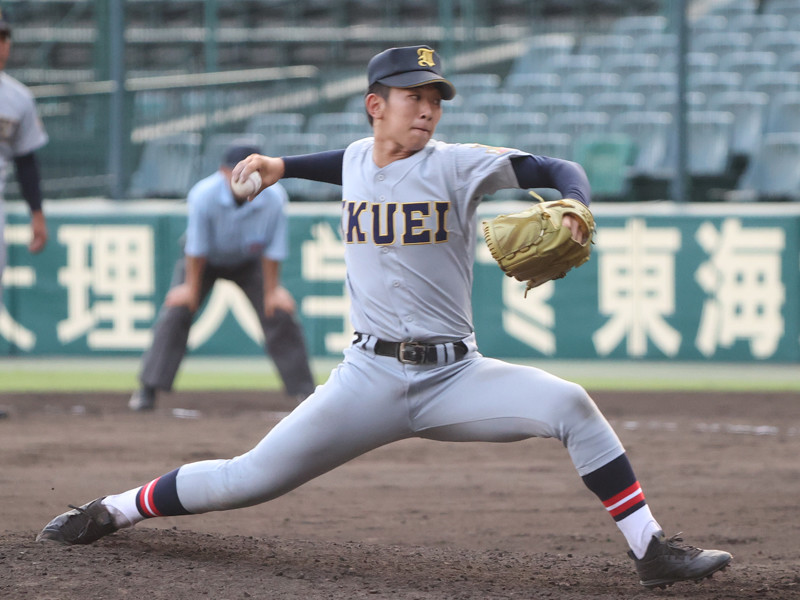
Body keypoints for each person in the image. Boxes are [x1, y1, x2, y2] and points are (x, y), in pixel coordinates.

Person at [37, 45, 731, 590]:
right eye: (412, 97)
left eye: (435, 99)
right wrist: (280, 165)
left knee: (572, 406)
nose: (427, 110)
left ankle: (651, 551)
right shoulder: (354, 161)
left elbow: (557, 165)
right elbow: (346, 166)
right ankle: (114, 508)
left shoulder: (460, 165)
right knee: (248, 478)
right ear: (377, 105)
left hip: (456, 376)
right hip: (365, 379)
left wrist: (577, 205)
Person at [127, 141, 316, 411]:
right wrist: (190, 288)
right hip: (204, 262)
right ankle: (148, 389)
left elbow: (273, 248)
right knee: (178, 310)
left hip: (249, 261)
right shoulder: (204, 194)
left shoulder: (274, 197)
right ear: (224, 172)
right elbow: (196, 247)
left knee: (279, 312)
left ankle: (306, 393)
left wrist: (273, 291)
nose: (245, 177)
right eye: (238, 171)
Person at [0, 8, 48, 306]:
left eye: (4, 36)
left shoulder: (18, 99)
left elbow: (25, 160)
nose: (1, 44)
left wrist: (37, 214)